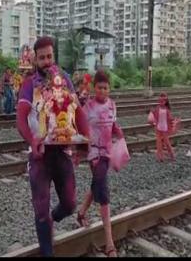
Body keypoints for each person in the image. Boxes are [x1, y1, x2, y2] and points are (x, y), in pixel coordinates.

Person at [16, 36, 89, 257]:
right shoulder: (29, 84)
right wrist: (32, 140)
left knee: (69, 204)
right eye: (42, 58)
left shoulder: (64, 79)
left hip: (62, 151)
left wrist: (85, 141)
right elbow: (20, 119)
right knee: (40, 210)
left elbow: (77, 111)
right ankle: (47, 249)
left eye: (49, 56)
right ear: (35, 60)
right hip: (39, 155)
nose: (46, 61)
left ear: (53, 55)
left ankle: (53, 219)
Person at [77, 70, 123, 258]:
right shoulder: (88, 107)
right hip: (94, 154)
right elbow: (81, 130)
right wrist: (78, 153)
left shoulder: (112, 105)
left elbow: (113, 126)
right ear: (94, 88)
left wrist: (120, 135)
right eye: (99, 88)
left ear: (109, 89)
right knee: (102, 191)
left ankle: (81, 213)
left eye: (106, 88)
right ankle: (110, 243)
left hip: (107, 152)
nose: (103, 91)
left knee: (98, 185)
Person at [149, 93, 175, 162]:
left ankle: (172, 155)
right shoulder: (158, 108)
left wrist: (173, 120)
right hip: (158, 128)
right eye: (159, 101)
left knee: (167, 143)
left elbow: (169, 118)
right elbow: (155, 115)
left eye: (162, 101)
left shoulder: (167, 109)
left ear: (165, 102)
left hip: (165, 128)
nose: (161, 102)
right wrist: (152, 113)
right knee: (159, 143)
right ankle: (160, 157)